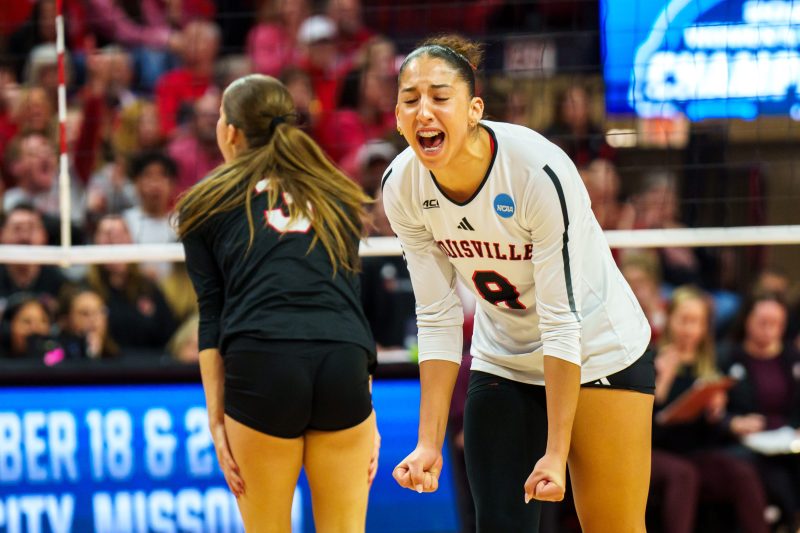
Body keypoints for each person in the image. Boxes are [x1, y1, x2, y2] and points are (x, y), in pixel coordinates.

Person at [382, 35, 654, 532]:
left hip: (598, 348)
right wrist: (428, 442)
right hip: (505, 355)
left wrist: (556, 451)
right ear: (397, 117)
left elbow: (561, 319)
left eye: (440, 97)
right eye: (410, 100)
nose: (424, 112)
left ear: (474, 111)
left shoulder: (534, 171)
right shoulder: (402, 185)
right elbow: (437, 316)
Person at [175, 74, 379, 531]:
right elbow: (346, 300)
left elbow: (211, 316)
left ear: (230, 132)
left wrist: (217, 422)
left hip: (263, 358)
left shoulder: (206, 201)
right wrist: (365, 405)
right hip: (343, 360)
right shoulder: (336, 193)